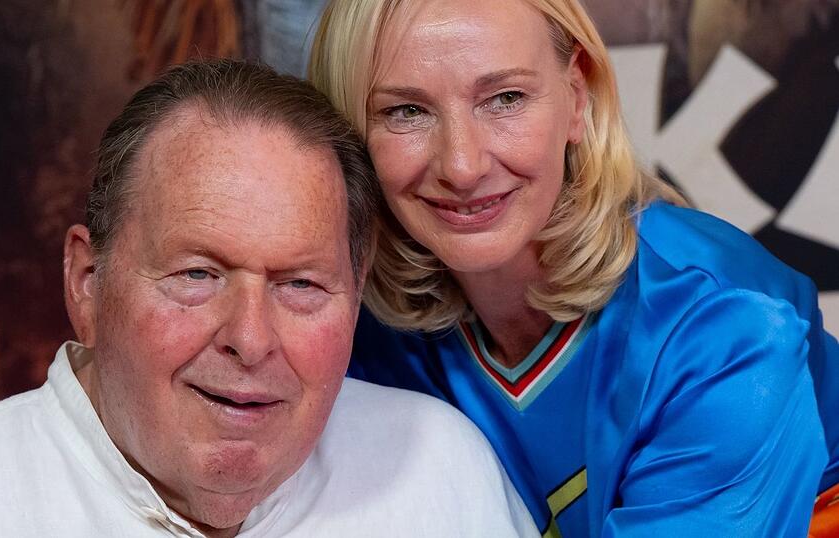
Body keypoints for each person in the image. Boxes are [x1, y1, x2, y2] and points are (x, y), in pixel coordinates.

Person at [0, 59, 538, 537]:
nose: (250, 340)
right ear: (87, 282)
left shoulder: (439, 473)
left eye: (301, 284)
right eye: (197, 275)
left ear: (355, 288)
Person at [309, 0, 839, 536]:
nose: (462, 167)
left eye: (506, 98)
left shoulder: (725, 322)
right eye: (406, 111)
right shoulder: (353, 327)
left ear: (577, 96)